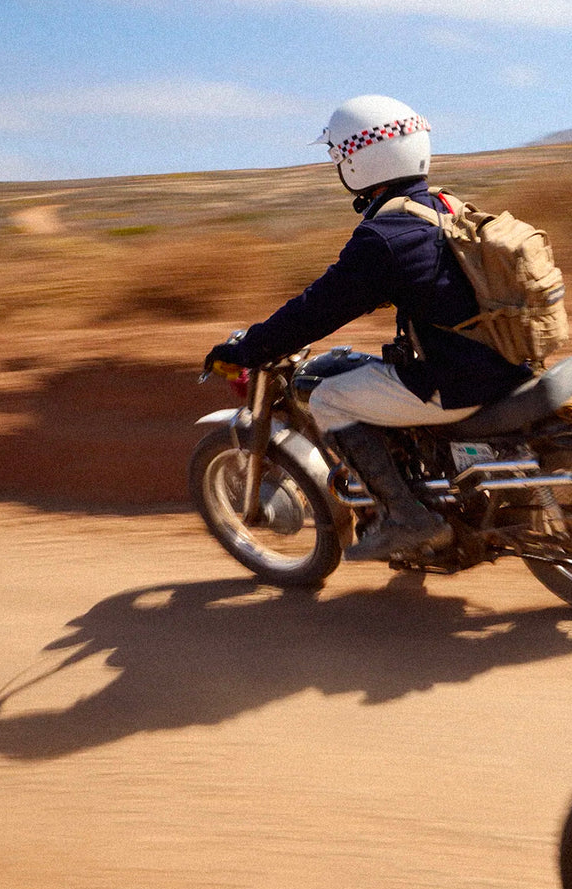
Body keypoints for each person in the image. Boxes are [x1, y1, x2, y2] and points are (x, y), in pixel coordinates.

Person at [203, 95, 533, 562]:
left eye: (340, 158)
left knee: (328, 397)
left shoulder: (385, 236)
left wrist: (249, 350)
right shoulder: (445, 206)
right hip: (507, 360)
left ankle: (406, 517)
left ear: (359, 162)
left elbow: (316, 309)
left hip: (458, 380)